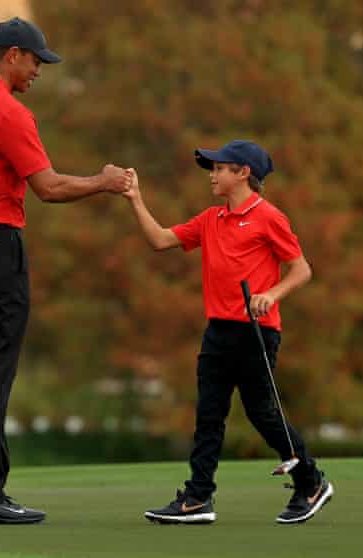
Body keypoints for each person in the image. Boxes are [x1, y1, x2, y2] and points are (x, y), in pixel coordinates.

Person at [0, 17, 132, 525]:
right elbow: (50, 188)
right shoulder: (9, 113)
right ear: (11, 55)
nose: (39, 70)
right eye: (36, 60)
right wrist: (103, 182)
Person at [123, 140, 334, 525]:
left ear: (243, 173)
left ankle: (311, 482)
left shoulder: (269, 217)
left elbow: (301, 269)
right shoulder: (210, 219)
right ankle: (198, 497)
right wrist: (135, 198)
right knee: (208, 415)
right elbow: (160, 240)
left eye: (219, 168)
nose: (212, 174)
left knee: (262, 415)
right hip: (218, 331)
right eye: (212, 168)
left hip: (256, 332)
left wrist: (271, 294)